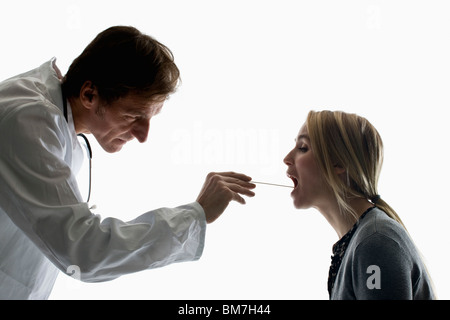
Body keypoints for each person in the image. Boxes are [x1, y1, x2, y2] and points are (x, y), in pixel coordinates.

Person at [0, 26, 255, 300]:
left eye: (150, 118)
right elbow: (84, 252)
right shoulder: (28, 120)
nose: (143, 136)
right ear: (89, 95)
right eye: (133, 116)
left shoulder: (57, 118)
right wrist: (196, 215)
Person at [283, 110, 435, 299]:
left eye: (303, 148)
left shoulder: (375, 243)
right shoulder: (364, 240)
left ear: (338, 163)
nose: (287, 158)